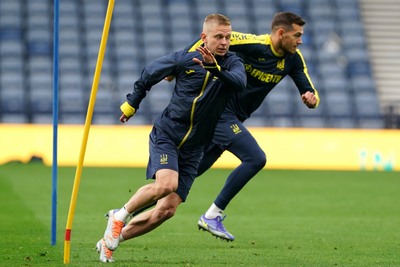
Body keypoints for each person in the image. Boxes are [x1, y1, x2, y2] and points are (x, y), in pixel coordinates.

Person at [95, 14, 246, 262]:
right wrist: (132, 104)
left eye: (228, 37)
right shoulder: (184, 59)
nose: (224, 42)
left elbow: (239, 84)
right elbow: (150, 73)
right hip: (168, 133)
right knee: (166, 184)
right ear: (204, 37)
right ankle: (119, 216)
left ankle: (110, 239)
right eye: (219, 36)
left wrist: (215, 69)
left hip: (196, 146)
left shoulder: (232, 63)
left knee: (166, 210)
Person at [187, 11, 320, 241]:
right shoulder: (254, 44)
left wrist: (312, 98)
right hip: (220, 111)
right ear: (281, 33)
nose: (300, 40)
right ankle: (212, 215)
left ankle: (126, 211)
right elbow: (207, 39)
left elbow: (309, 89)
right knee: (255, 158)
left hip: (234, 119)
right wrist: (176, 65)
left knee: (190, 172)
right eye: (297, 35)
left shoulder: (293, 60)